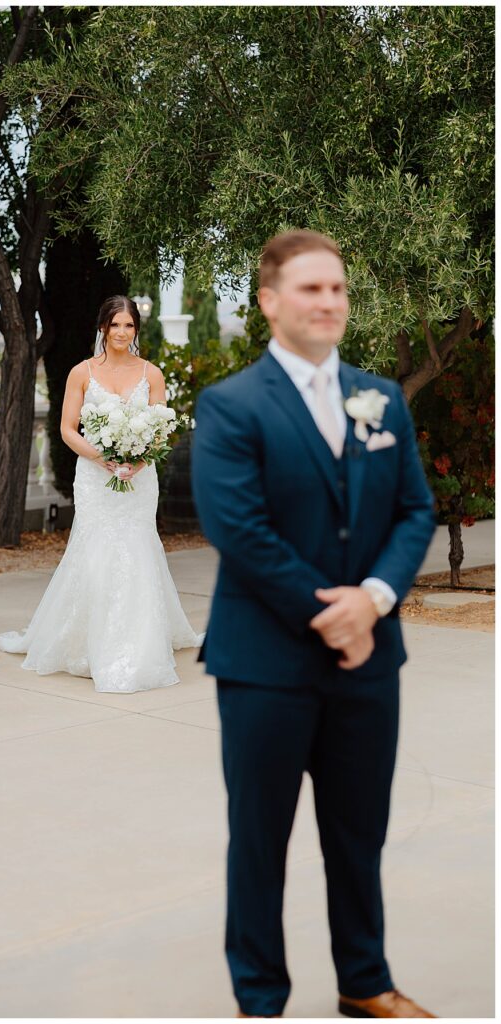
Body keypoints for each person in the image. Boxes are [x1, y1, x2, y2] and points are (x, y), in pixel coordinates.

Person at [191, 231, 437, 1018]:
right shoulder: (230, 405)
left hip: (371, 664)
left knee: (359, 835)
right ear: (269, 301)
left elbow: (413, 511)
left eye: (337, 289)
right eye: (310, 289)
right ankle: (261, 999)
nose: (329, 302)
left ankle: (365, 982)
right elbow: (240, 531)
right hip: (265, 666)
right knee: (260, 843)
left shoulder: (381, 399)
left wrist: (374, 598)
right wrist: (334, 615)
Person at [0, 295, 203, 693]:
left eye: (129, 326)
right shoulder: (81, 373)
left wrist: (137, 463)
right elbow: (68, 429)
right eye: (116, 325)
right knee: (94, 551)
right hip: (95, 477)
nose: (122, 333)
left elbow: (160, 430)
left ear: (136, 331)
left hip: (140, 479)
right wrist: (103, 459)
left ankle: (138, 641)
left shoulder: (152, 374)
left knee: (138, 548)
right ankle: (86, 641)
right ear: (102, 329)